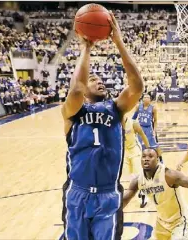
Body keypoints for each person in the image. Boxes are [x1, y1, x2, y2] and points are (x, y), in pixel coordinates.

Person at [60, 13, 144, 240]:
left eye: (101, 79)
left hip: (108, 194)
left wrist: (118, 41)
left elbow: (137, 86)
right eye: (93, 79)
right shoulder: (72, 112)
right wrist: (86, 48)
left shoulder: (116, 108)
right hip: (78, 193)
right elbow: (76, 90)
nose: (99, 81)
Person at [122, 148, 188, 240]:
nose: (146, 159)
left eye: (150, 156)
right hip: (161, 223)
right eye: (143, 156)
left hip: (181, 221)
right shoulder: (138, 180)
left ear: (157, 160)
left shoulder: (169, 175)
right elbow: (124, 200)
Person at [123, 116, 150, 208]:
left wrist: (149, 150)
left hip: (135, 151)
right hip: (124, 152)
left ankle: (144, 195)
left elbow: (143, 135)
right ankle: (137, 190)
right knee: (129, 176)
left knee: (139, 174)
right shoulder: (115, 124)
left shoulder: (133, 123)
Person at [132, 94, 163, 162]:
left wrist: (155, 130)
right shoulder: (138, 106)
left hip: (149, 128)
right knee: (139, 145)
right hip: (140, 128)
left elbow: (155, 120)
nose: (146, 98)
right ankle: (141, 161)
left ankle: (160, 160)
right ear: (142, 99)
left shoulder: (153, 108)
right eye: (145, 97)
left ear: (150, 100)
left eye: (148, 97)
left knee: (154, 145)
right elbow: (133, 118)